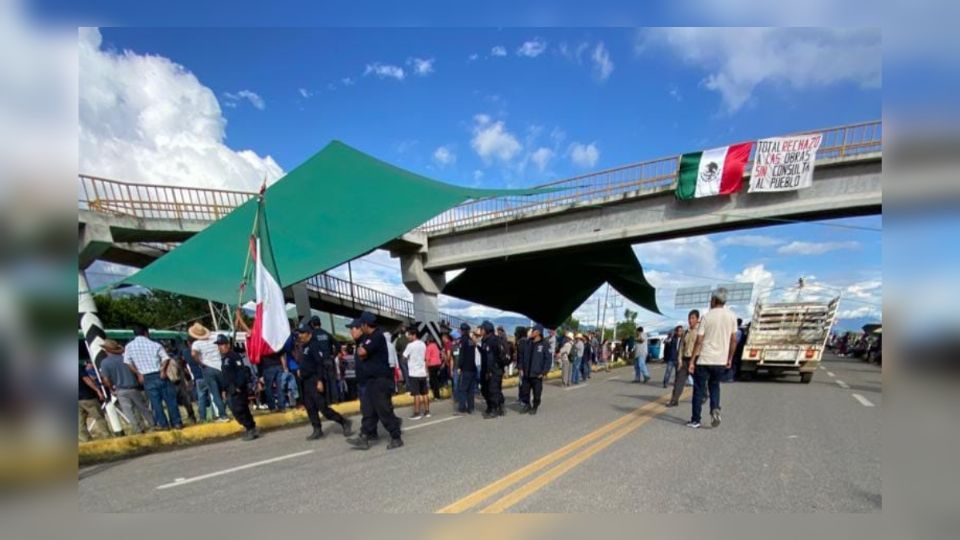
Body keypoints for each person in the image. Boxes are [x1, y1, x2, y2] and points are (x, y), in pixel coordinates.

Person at [347, 312, 403, 450]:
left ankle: (396, 436)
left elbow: (361, 353)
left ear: (366, 325)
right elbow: (362, 354)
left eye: (361, 325)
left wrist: (362, 350)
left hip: (380, 380)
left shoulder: (376, 336)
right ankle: (365, 436)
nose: (360, 328)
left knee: (383, 410)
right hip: (371, 380)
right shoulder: (368, 337)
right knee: (369, 410)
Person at [687, 290, 738, 429]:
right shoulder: (732, 317)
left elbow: (699, 340)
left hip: (704, 359)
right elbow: (734, 340)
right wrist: (730, 358)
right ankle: (715, 408)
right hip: (720, 360)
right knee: (714, 386)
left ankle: (695, 420)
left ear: (714, 300)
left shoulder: (707, 317)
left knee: (698, 390)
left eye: (711, 299)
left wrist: (692, 361)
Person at [296, 324, 352, 440]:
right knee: (310, 407)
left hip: (314, 380)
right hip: (305, 381)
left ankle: (343, 422)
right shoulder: (304, 346)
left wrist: (320, 380)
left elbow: (319, 364)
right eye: (299, 333)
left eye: (302, 333)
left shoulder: (314, 345)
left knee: (323, 408)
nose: (300, 335)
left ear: (309, 334)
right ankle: (317, 429)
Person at [124, 324, 183, 430]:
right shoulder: (154, 344)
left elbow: (127, 362)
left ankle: (163, 424)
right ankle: (176, 422)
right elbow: (166, 358)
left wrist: (138, 373)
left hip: (146, 376)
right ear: (146, 332)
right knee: (170, 400)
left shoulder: (129, 347)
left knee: (156, 403)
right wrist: (163, 370)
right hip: (159, 373)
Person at [99, 339, 153, 434]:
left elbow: (106, 380)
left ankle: (139, 430)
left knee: (129, 412)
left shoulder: (105, 363)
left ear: (106, 350)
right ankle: (153, 424)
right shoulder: (126, 358)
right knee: (143, 408)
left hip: (120, 390)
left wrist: (111, 389)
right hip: (134, 387)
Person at [215, 335, 259, 440]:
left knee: (239, 409)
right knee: (239, 410)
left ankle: (250, 428)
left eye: (222, 344)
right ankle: (251, 428)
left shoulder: (234, 356)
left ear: (228, 345)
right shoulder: (225, 358)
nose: (221, 347)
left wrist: (239, 386)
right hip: (230, 389)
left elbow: (241, 372)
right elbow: (226, 376)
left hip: (237, 388)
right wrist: (224, 389)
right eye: (219, 345)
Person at [188, 323, 230, 423]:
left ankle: (223, 415)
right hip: (220, 367)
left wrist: (200, 363)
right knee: (226, 391)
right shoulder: (215, 338)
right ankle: (231, 410)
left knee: (215, 394)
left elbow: (193, 354)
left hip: (208, 369)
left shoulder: (196, 344)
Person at [669, 310, 700, 407]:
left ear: (697, 319)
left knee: (699, 381)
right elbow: (681, 347)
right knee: (679, 380)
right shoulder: (685, 332)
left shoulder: (700, 332)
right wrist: (680, 360)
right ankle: (674, 400)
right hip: (685, 359)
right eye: (689, 318)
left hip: (696, 359)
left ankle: (704, 395)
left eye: (693, 318)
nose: (690, 320)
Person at [518, 324, 550, 414]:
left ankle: (535, 406)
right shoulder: (527, 343)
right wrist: (520, 367)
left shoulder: (545, 344)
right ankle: (527, 405)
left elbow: (548, 359)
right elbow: (521, 355)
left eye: (533, 331)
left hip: (537, 374)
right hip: (526, 373)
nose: (531, 333)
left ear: (538, 333)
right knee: (525, 391)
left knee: (537, 393)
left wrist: (544, 372)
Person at [479, 320, 506, 418]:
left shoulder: (492, 340)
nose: (480, 331)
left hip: (494, 370)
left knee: (493, 390)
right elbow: (484, 353)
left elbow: (490, 358)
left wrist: (489, 371)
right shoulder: (485, 340)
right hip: (487, 369)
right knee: (484, 389)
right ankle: (491, 406)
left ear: (486, 330)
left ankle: (495, 408)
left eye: (482, 329)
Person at [402, 327, 430, 419]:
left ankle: (417, 413)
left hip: (414, 373)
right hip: (422, 372)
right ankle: (427, 412)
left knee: (416, 394)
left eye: (409, 335)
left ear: (414, 335)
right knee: (425, 393)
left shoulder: (410, 345)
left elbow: (403, 357)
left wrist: (408, 360)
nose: (408, 337)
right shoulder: (423, 344)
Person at [78, 359, 110, 442]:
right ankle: (106, 436)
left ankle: (85, 439)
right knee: (99, 417)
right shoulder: (78, 367)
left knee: (80, 421)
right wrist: (97, 390)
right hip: (87, 396)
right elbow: (87, 380)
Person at [455, 323, 477, 414]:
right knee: (471, 390)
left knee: (463, 389)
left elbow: (462, 355)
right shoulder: (471, 340)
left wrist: (459, 366)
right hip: (472, 367)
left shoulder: (462, 340)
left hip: (466, 368)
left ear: (462, 330)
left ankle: (462, 407)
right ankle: (471, 407)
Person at [425, 334, 443, 401]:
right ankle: (437, 395)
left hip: (432, 365)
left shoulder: (429, 347)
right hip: (438, 364)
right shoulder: (436, 346)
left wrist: (426, 367)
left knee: (433, 381)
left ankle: (436, 396)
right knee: (436, 380)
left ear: (428, 340)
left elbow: (427, 359)